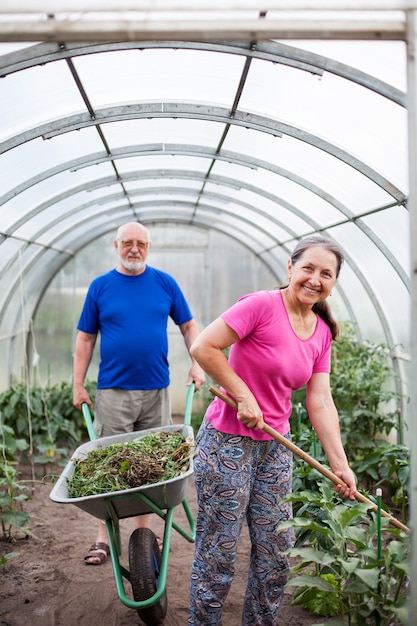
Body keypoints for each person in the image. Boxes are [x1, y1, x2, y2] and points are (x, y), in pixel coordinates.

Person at [187, 235, 357, 626]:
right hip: (226, 443)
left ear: (334, 282)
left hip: (275, 450)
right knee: (219, 551)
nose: (315, 279)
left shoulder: (321, 333)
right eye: (308, 268)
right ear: (290, 268)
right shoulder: (262, 306)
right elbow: (203, 347)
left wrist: (340, 465)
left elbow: (320, 402)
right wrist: (243, 396)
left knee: (276, 552)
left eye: (326, 273)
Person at [73, 221, 205, 565]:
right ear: (116, 246)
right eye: (128, 242)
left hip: (156, 389)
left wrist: (197, 363)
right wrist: (77, 384)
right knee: (109, 464)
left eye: (142, 243)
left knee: (153, 466)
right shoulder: (101, 287)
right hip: (113, 391)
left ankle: (143, 535)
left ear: (149, 247)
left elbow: (189, 325)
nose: (135, 249)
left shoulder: (164, 283)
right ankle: (103, 538)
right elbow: (86, 338)